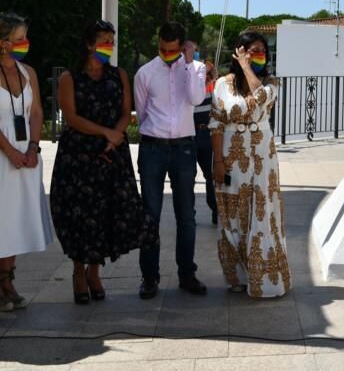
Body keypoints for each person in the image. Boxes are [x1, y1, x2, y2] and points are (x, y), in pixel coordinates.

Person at [50, 20, 158, 304]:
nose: (109, 46)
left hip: (111, 155)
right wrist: (105, 132)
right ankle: (77, 270)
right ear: (89, 44)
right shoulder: (69, 78)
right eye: (104, 40)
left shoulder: (119, 74)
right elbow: (71, 118)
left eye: (112, 40)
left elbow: (126, 111)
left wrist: (117, 134)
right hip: (78, 157)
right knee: (78, 214)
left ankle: (95, 271)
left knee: (106, 214)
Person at [209, 32, 291, 297]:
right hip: (232, 158)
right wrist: (218, 161)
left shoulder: (271, 82)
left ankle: (264, 279)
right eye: (252, 51)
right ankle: (237, 276)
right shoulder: (222, 84)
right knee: (232, 214)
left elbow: (261, 96)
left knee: (262, 214)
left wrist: (247, 68)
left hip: (262, 160)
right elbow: (216, 123)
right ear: (239, 51)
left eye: (262, 51)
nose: (258, 55)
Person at [134, 21, 208, 299]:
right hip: (153, 147)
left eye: (173, 50)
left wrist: (188, 63)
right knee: (150, 214)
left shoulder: (196, 69)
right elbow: (142, 112)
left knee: (186, 215)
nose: (167, 54)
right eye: (163, 49)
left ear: (183, 47)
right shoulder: (145, 73)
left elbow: (196, 97)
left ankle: (187, 274)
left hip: (184, 149)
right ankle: (149, 277)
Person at [0, 13, 53, 311]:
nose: (24, 44)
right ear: (2, 42)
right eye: (18, 39)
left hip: (26, 154)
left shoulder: (27, 71)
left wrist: (33, 147)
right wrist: (10, 151)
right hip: (3, 154)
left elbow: (35, 112)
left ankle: (8, 280)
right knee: (0, 220)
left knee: (16, 220)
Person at [186, 42, 218, 225]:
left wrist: (212, 80)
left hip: (206, 133)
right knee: (187, 177)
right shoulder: (184, 83)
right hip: (188, 134)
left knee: (212, 175)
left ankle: (216, 211)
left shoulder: (212, 88)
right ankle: (188, 214)